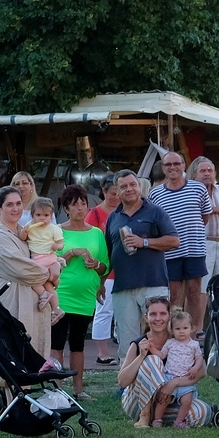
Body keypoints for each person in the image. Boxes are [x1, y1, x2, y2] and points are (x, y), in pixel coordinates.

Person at [0, 186, 54, 360]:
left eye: (18, 203)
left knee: (34, 357)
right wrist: (50, 274)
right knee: (14, 357)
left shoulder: (26, 232)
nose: (15, 209)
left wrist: (56, 264)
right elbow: (23, 269)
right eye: (9, 205)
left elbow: (45, 253)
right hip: (9, 305)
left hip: (32, 303)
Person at [49, 186, 108, 399]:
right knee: (57, 343)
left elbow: (105, 267)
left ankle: (78, 390)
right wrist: (73, 252)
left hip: (85, 297)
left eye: (83, 203)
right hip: (61, 294)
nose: (80, 208)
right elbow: (50, 261)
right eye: (75, 204)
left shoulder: (96, 233)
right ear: (66, 209)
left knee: (78, 344)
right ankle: (56, 389)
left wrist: (96, 264)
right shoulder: (56, 231)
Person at [116, 296, 211, 427]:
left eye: (162, 314)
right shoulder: (139, 343)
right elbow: (122, 381)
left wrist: (173, 383)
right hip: (137, 401)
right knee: (153, 360)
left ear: (169, 316)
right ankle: (144, 416)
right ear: (146, 318)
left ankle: (159, 419)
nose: (158, 318)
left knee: (202, 411)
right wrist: (141, 356)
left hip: (167, 400)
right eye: (153, 314)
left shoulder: (180, 340)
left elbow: (201, 373)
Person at [105, 170, 177, 341]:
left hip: (153, 284)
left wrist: (144, 242)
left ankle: (158, 361)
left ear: (139, 186)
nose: (129, 189)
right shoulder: (113, 217)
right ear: (117, 191)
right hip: (123, 287)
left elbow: (174, 241)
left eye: (133, 184)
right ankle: (130, 361)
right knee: (127, 342)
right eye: (123, 186)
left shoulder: (155, 212)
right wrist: (100, 283)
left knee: (158, 338)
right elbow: (108, 253)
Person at [148, 152, 211, 333]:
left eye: (176, 163)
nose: (173, 167)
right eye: (168, 164)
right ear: (163, 168)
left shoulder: (198, 188)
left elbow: (205, 217)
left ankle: (193, 334)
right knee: (173, 296)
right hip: (169, 252)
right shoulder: (155, 194)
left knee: (194, 293)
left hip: (194, 250)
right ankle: (174, 334)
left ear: (184, 165)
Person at [137, 309, 202, 428]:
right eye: (177, 329)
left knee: (187, 401)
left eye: (185, 328)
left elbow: (199, 358)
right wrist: (152, 349)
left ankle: (179, 421)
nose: (181, 331)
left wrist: (195, 368)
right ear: (171, 330)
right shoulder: (170, 343)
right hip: (169, 376)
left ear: (192, 328)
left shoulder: (194, 345)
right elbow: (162, 355)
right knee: (164, 399)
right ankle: (157, 419)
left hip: (185, 379)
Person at [85, 175, 121, 364]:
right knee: (104, 310)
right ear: (104, 193)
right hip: (105, 270)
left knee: (123, 310)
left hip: (124, 268)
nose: (116, 197)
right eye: (112, 193)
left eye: (118, 193)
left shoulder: (124, 211)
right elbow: (89, 240)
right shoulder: (95, 214)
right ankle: (102, 352)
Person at [191, 158, 219, 289]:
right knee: (202, 286)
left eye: (210, 170)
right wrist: (217, 209)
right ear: (195, 175)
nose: (207, 173)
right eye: (202, 171)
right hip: (204, 243)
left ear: (215, 174)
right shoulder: (192, 192)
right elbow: (194, 213)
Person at [23, 196, 64, 311]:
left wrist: (57, 246)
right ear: (32, 215)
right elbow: (23, 238)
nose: (42, 218)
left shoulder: (53, 229)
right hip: (37, 258)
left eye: (46, 215)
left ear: (51, 216)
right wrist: (24, 232)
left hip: (48, 257)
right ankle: (56, 308)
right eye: (38, 215)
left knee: (31, 279)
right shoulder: (29, 226)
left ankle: (43, 294)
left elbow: (61, 243)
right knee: (48, 286)